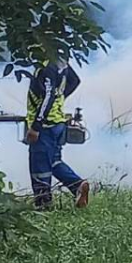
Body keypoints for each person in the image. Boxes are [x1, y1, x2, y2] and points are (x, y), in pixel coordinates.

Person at [25, 58, 90, 209]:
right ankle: (78, 185)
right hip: (58, 123)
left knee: (39, 168)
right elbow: (74, 81)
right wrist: (59, 99)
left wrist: (36, 126)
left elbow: (48, 96)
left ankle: (43, 206)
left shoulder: (46, 66)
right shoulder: (60, 63)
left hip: (45, 126)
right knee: (54, 162)